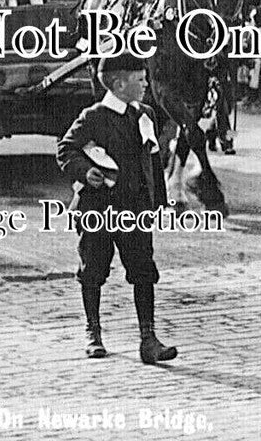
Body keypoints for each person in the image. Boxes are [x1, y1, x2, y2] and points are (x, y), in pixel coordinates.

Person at [56, 53, 176, 364]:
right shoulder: (94, 116)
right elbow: (66, 148)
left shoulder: (145, 113)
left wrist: (158, 203)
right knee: (93, 269)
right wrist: (85, 171)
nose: (146, 84)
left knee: (144, 271)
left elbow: (152, 162)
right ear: (119, 84)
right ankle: (93, 332)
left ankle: (148, 339)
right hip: (98, 208)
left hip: (135, 208)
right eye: (140, 80)